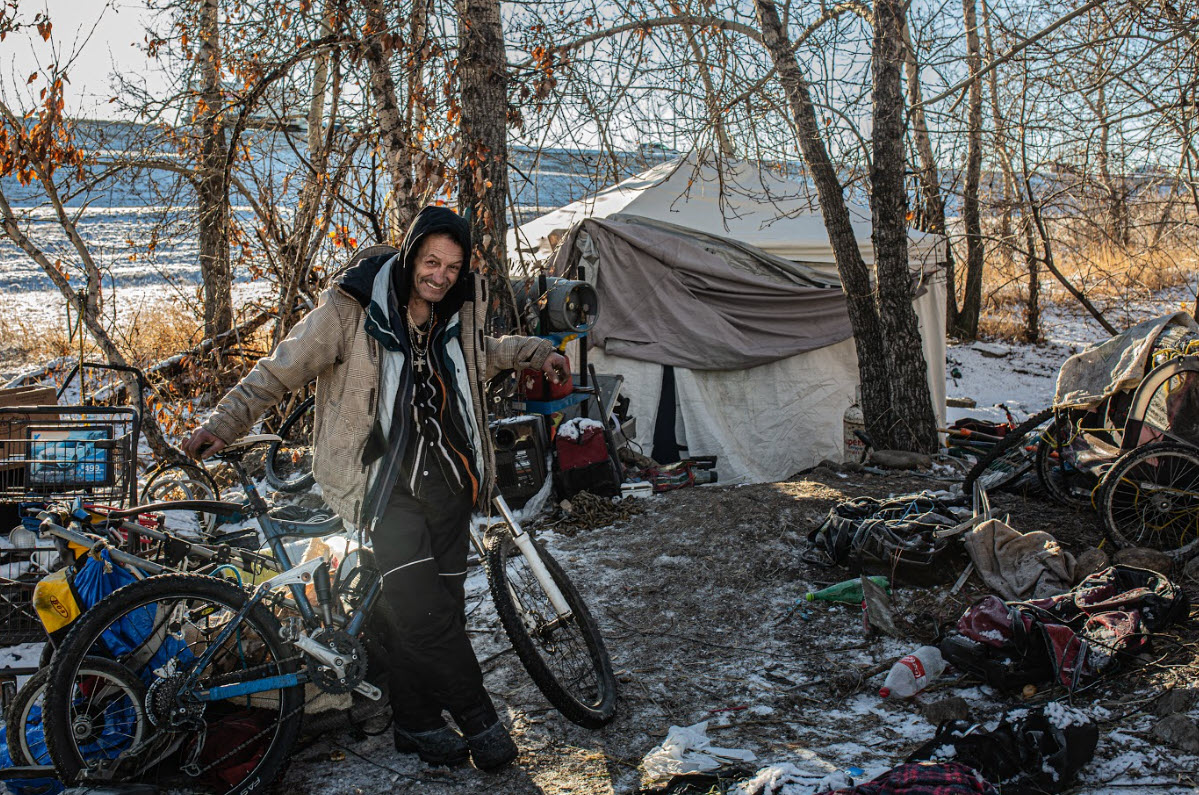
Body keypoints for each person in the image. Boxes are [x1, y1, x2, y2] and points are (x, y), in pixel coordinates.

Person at [183, 205, 567, 771]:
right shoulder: (349, 310)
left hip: (449, 480)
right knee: (422, 613)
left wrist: (538, 353)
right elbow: (279, 369)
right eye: (431, 261)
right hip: (383, 487)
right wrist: (223, 422)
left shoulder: (451, 314)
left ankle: (414, 722)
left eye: (453, 266)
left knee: (436, 610)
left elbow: (478, 356)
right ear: (410, 254)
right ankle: (482, 721)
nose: (440, 275)